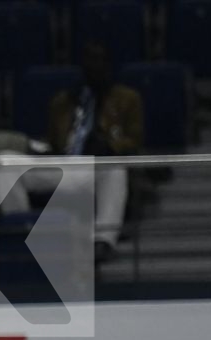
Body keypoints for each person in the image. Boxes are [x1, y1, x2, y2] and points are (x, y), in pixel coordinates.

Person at [48, 42, 142, 259]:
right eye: (89, 60)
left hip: (97, 167)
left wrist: (110, 145)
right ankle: (20, 228)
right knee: (5, 162)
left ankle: (102, 241)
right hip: (63, 166)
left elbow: (135, 140)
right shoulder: (64, 101)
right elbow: (53, 140)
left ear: (109, 65)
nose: (94, 66)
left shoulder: (127, 99)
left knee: (115, 169)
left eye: (99, 60)